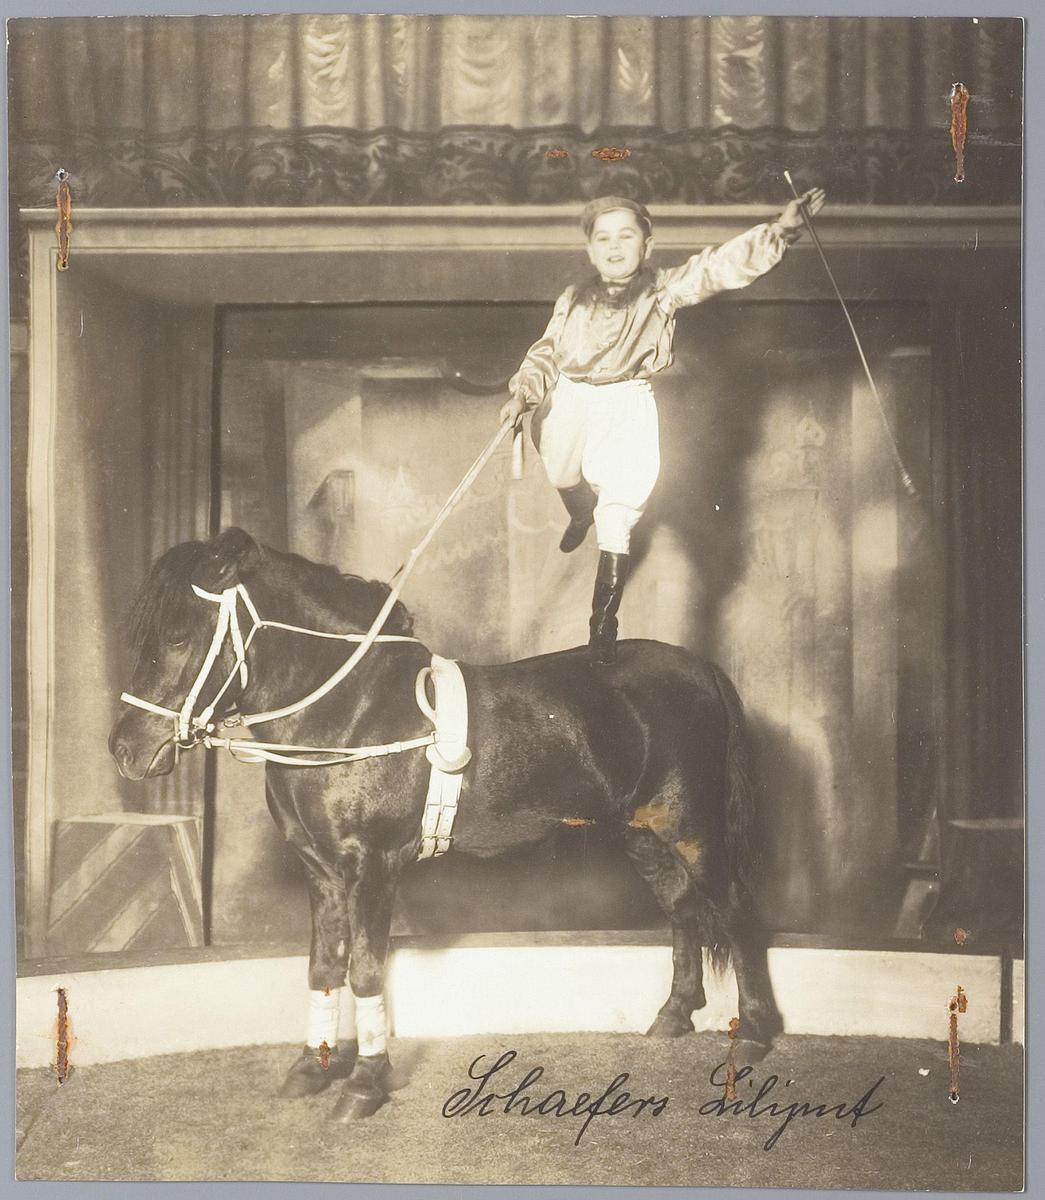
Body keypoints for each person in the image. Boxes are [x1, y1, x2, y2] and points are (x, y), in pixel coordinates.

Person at [499, 188, 826, 665]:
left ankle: (602, 630)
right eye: (603, 238)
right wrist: (523, 394)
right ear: (590, 250)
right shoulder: (573, 299)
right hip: (571, 396)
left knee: (619, 515)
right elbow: (546, 351)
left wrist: (782, 230)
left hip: (627, 401)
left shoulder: (662, 290)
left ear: (647, 245)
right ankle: (579, 509)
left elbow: (717, 267)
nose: (615, 246)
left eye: (626, 236)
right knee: (562, 472)